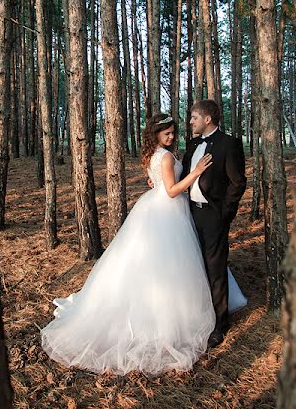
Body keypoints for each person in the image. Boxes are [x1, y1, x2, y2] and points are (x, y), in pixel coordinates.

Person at [40, 113, 216, 375]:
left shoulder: (155, 154)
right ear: (155, 134)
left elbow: (158, 181)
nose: (171, 136)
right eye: (166, 133)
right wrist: (197, 172)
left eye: (172, 132)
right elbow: (170, 190)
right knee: (167, 266)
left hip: (156, 208)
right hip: (166, 210)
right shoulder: (165, 156)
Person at [182, 99, 247, 348]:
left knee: (215, 268)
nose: (191, 122)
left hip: (213, 215)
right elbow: (184, 174)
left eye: (194, 118)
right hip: (189, 213)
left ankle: (220, 324)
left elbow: (237, 182)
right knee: (194, 265)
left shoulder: (228, 144)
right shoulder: (192, 144)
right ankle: (199, 313)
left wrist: (224, 214)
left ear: (207, 119)